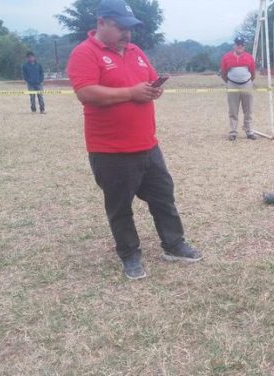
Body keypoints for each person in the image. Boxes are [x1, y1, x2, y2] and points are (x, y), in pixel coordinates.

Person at [67, 0, 202, 280]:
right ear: (101, 22)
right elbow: (86, 93)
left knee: (163, 197)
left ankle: (173, 244)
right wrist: (131, 93)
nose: (127, 34)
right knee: (120, 206)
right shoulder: (85, 53)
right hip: (110, 150)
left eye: (130, 28)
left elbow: (149, 80)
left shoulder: (136, 51)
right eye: (121, 27)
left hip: (147, 144)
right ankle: (129, 254)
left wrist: (153, 90)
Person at [220, 36, 256, 141]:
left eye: (242, 44)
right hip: (232, 85)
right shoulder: (226, 57)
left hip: (247, 85)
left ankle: (249, 131)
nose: (239, 46)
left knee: (248, 109)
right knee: (233, 110)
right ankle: (233, 132)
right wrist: (229, 83)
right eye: (237, 44)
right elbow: (223, 73)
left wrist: (248, 82)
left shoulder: (249, 57)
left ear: (244, 46)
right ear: (234, 45)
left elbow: (253, 72)